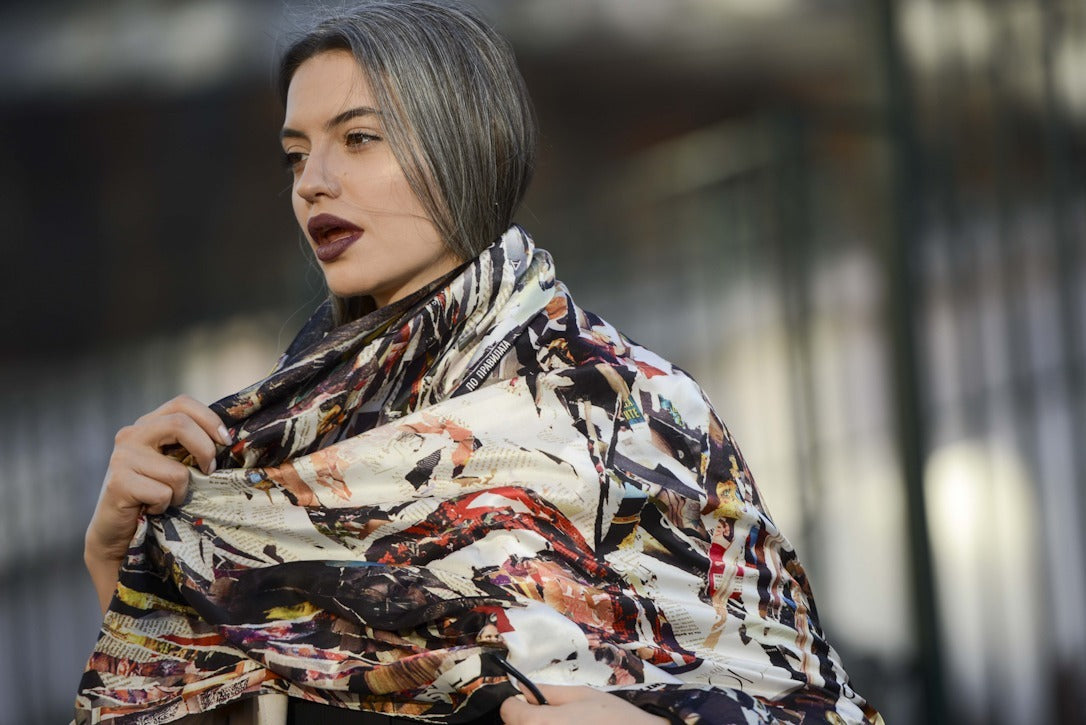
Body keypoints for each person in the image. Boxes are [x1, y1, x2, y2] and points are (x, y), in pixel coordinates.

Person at [76, 2, 881, 724]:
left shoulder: (627, 407)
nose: (313, 183)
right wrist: (119, 565)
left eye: (358, 138)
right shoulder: (276, 445)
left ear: (463, 145)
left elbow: (810, 704)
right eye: (295, 155)